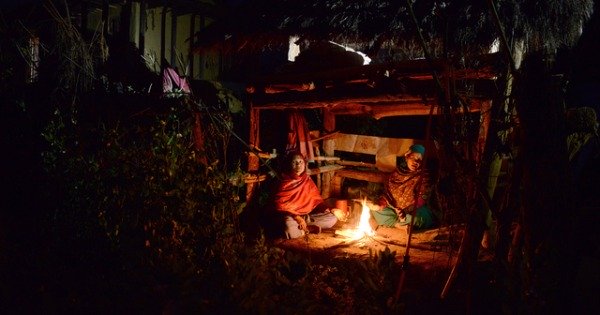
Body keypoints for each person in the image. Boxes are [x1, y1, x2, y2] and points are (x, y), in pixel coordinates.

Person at [266, 151, 345, 239]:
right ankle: (305, 230)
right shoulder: (284, 182)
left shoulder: (307, 181)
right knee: (288, 227)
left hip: (307, 217)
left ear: (304, 163)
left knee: (332, 218)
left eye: (300, 162)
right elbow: (279, 207)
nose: (298, 165)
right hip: (291, 218)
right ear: (289, 165)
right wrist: (297, 218)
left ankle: (304, 227)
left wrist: (332, 210)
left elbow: (317, 203)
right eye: (294, 162)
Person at [368, 144, 435, 230]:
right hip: (394, 208)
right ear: (407, 157)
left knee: (421, 219)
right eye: (413, 157)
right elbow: (388, 193)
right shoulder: (397, 173)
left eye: (419, 160)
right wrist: (382, 203)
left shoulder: (424, 176)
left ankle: (398, 222)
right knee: (375, 210)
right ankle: (399, 225)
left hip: (412, 210)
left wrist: (405, 211)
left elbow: (422, 198)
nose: (416, 162)